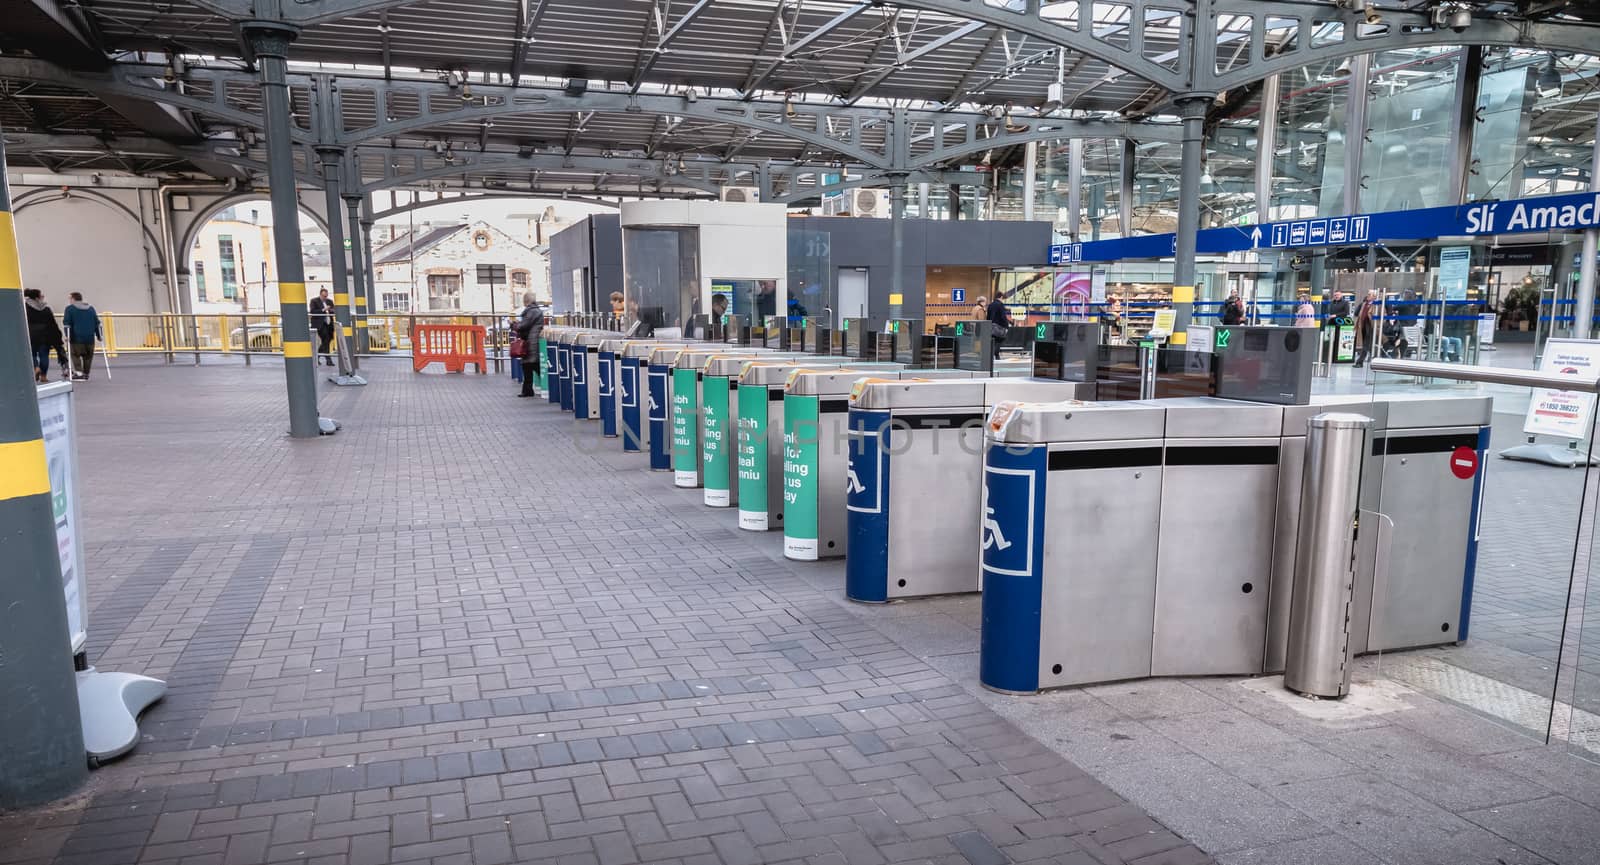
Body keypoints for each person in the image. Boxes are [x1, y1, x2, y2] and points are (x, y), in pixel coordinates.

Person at [24, 288, 65, 383]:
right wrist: (57, 336)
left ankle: (36, 367)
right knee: (44, 355)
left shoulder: (25, 308)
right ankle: (44, 376)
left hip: (31, 335)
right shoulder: (46, 309)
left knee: (32, 354)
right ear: (37, 297)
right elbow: (52, 324)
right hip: (45, 335)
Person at [62, 291, 102, 380]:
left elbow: (67, 323)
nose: (69, 300)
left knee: (75, 355)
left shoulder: (70, 309)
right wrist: (99, 335)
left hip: (76, 337)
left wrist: (67, 335)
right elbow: (97, 323)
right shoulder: (91, 309)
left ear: (73, 299)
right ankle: (86, 373)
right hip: (90, 338)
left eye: (69, 298)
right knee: (88, 356)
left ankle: (79, 373)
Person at [515, 292, 546, 398]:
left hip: (531, 342)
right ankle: (528, 390)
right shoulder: (535, 311)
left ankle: (529, 390)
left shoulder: (532, 311)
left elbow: (523, 325)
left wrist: (515, 325)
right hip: (533, 341)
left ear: (526, 300)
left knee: (530, 365)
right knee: (530, 365)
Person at [308, 288, 337, 365]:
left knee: (328, 340)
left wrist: (330, 310)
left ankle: (317, 356)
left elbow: (334, 310)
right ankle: (328, 360)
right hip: (320, 324)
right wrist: (324, 309)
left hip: (329, 323)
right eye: (324, 296)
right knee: (325, 339)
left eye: (326, 296)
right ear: (320, 294)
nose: (325, 298)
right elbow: (313, 311)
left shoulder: (329, 301)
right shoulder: (314, 301)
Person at [1353, 289, 1377, 367]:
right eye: (1368, 294)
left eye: (1370, 294)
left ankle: (1359, 362)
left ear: (1374, 296)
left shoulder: (1376, 305)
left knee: (1366, 345)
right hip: (1362, 325)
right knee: (1365, 345)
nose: (1368, 295)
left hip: (1370, 326)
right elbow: (1356, 313)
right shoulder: (1364, 304)